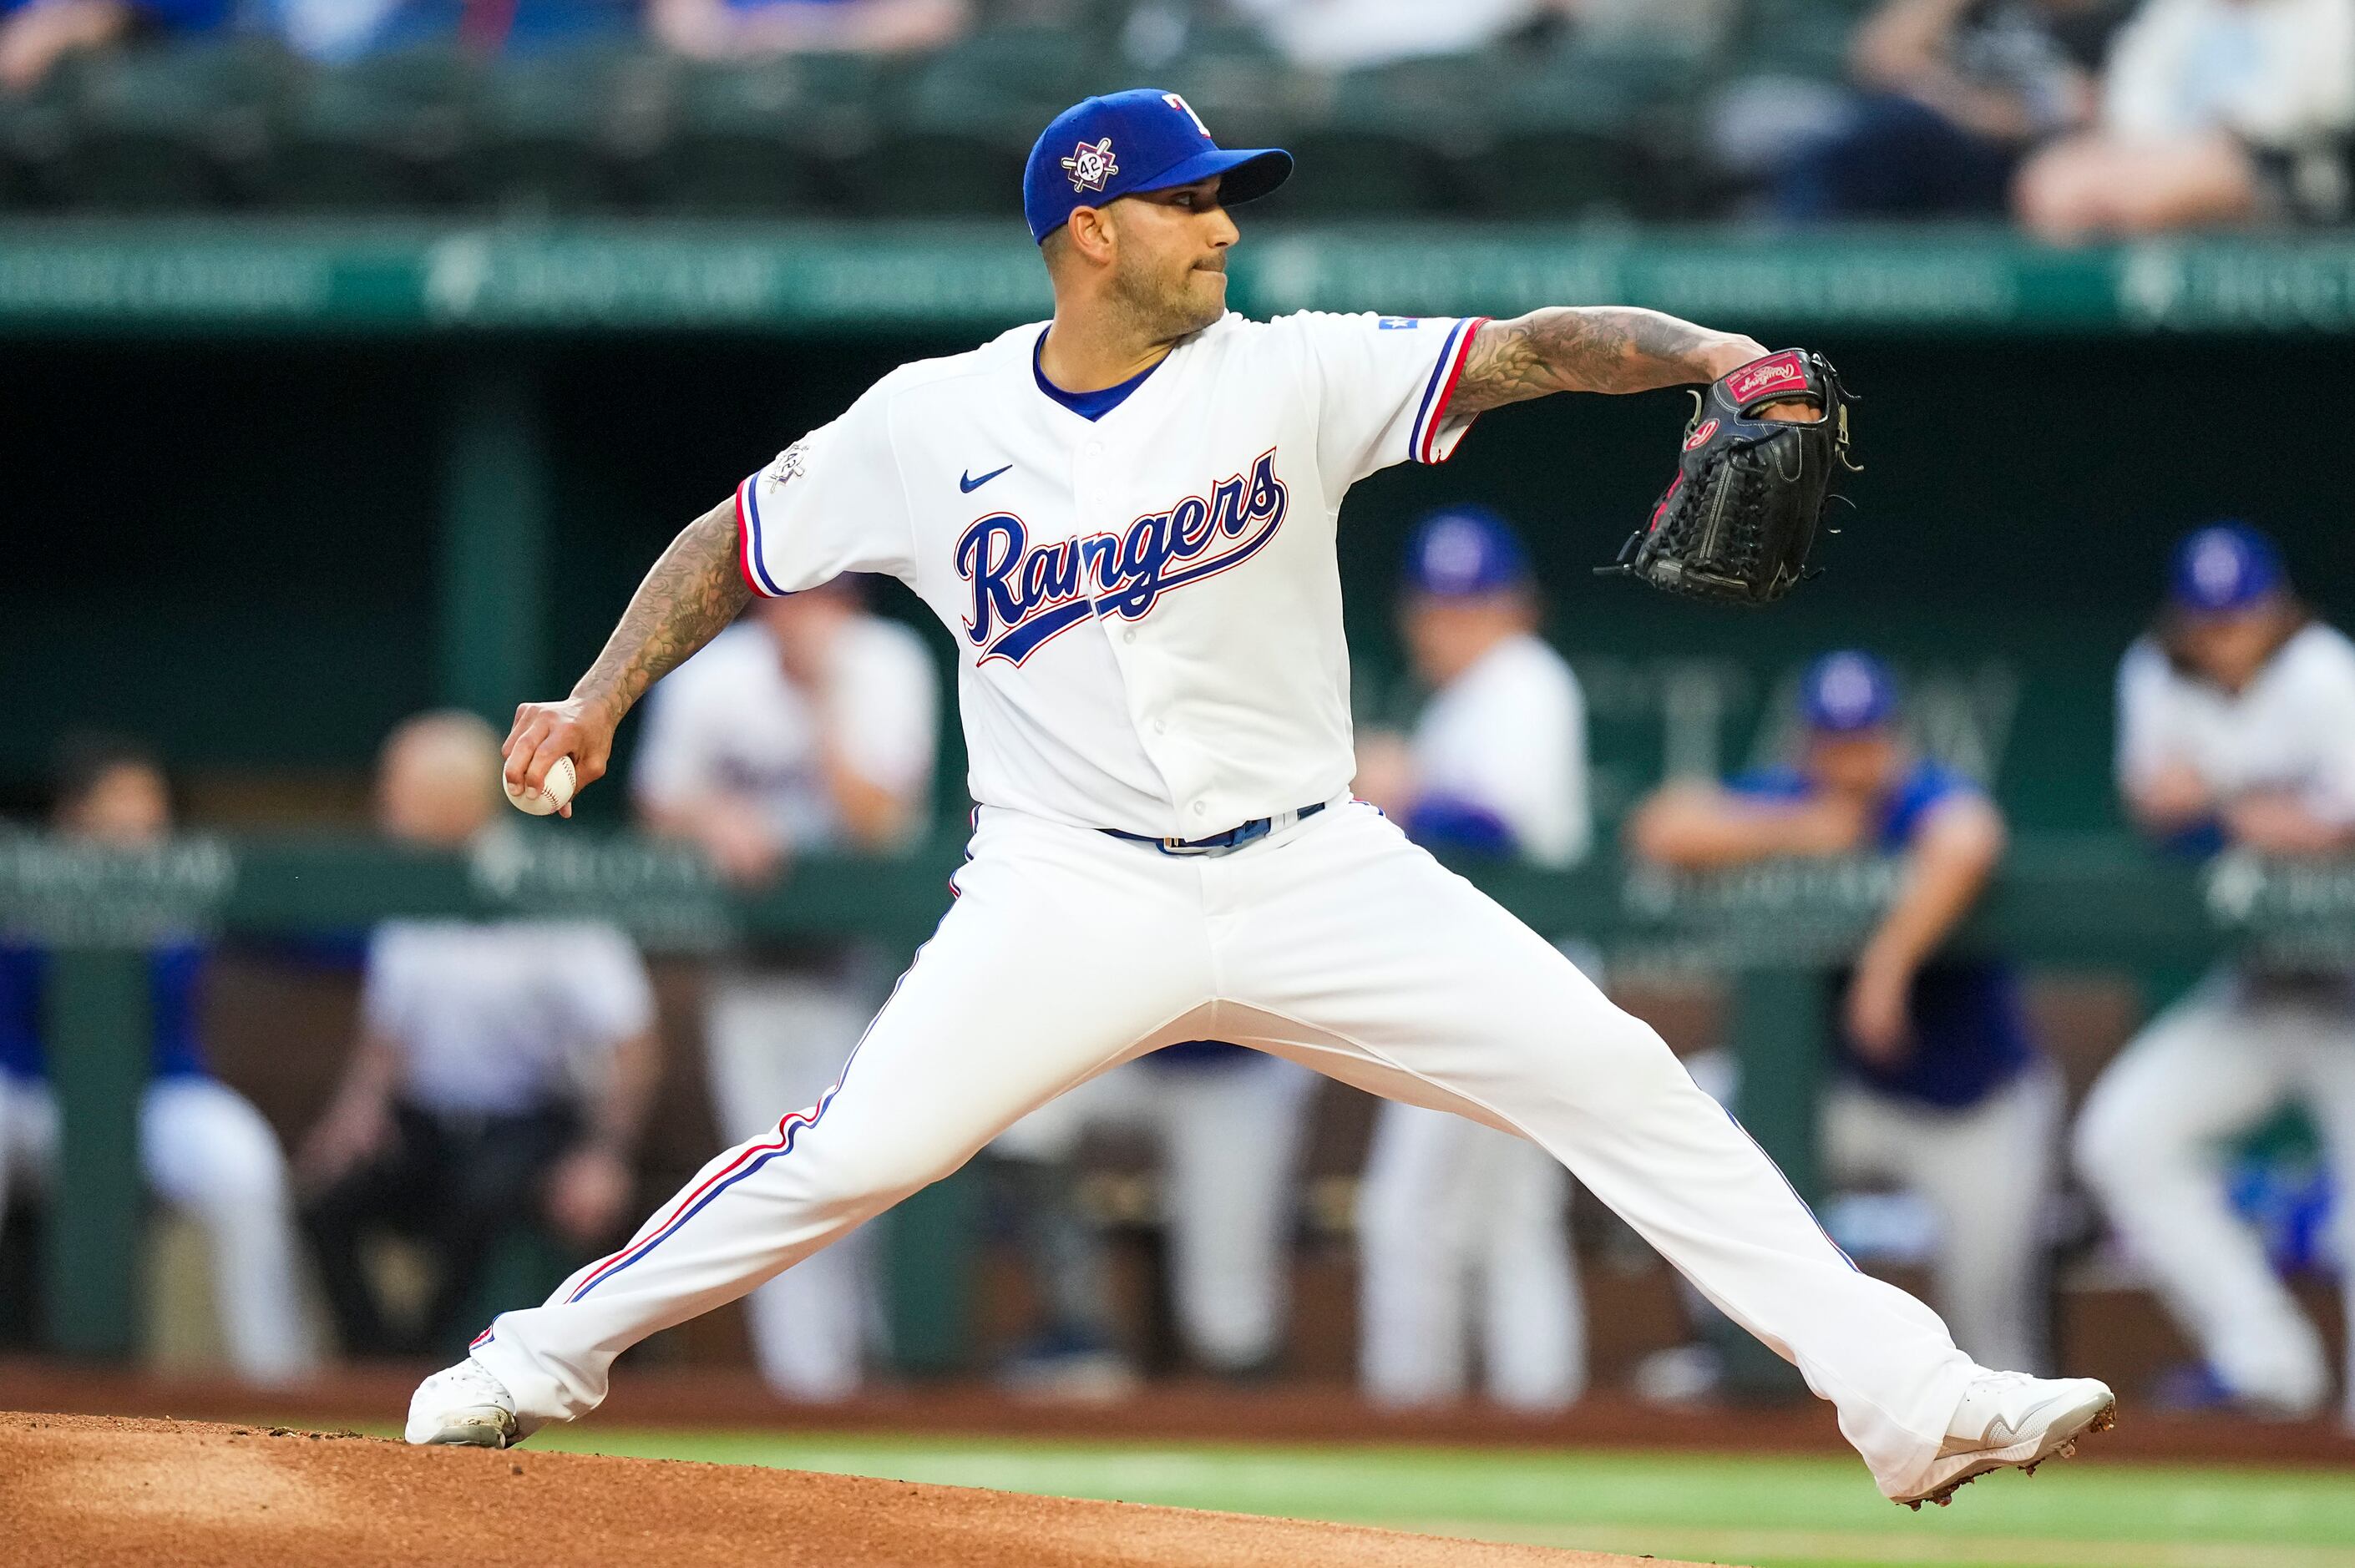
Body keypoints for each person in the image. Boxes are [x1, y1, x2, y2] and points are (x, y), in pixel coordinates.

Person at [413, 86, 2112, 1510]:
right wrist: (599, 693)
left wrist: (1713, 353)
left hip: (1317, 875)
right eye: (1189, 204)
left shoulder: (1290, 371)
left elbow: (1529, 350)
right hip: (1069, 890)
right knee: (864, 1146)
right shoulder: (929, 423)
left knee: (1618, 1072)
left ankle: (1909, 1398)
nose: (1226, 227)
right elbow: (734, 543)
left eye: (1229, 201)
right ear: (1092, 230)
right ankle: (534, 1355)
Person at [1630, 652, 2061, 1376]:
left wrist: (1887, 962)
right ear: (1806, 744)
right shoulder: (1795, 800)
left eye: (1863, 742)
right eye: (1833, 743)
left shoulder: (1920, 797)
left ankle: (2016, 1441)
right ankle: (1734, 1349)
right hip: (1850, 1100)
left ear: (1893, 741)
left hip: (1973, 1104)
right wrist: (1800, 829)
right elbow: (1661, 827)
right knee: (1706, 1114)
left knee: (1992, 1330)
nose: (1849, 762)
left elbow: (1972, 837)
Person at [630, 579, 938, 1400]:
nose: (801, 615)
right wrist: (713, 820)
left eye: (824, 596)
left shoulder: (884, 665)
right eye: (788, 595)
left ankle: (881, 1373)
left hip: (869, 966)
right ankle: (810, 1395)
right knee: (768, 1172)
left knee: (872, 1168)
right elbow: (654, 807)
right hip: (752, 965)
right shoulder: (713, 675)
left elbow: (878, 822)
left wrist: (824, 695)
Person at [2074, 524, 2355, 1421]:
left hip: (2351, 988)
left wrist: (2225, 802)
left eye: (2242, 617)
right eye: (2211, 621)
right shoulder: (2154, 671)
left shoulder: (2323, 671)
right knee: (2124, 1139)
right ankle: (2271, 1367)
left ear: (2274, 611)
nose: (2227, 636)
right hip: (2264, 985)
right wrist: (2273, 814)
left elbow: (2343, 826)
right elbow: (2155, 807)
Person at [299, 711, 660, 1360]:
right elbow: (387, 1034)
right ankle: (377, 1366)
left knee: (483, 1196)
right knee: (327, 1198)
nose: (386, 807)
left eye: (401, 791)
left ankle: (432, 1361)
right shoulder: (411, 884)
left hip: (534, 1121)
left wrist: (605, 1154)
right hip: (429, 1123)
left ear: (457, 800)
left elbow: (631, 1039)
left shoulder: (546, 884)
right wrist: (356, 1114)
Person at [1348, 505, 1592, 1411]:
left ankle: (1410, 1421)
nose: (1450, 622)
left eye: (1471, 602)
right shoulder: (1464, 701)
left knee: (1411, 1215)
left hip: (1513, 984)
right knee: (1502, 1223)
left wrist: (1402, 788)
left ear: (1514, 607)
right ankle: (1538, 1417)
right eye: (1437, 604)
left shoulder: (1527, 680)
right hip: (1501, 984)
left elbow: (1502, 829)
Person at [0, 736, 315, 1386]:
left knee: (242, 1163)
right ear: (74, 815)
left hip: (163, 1096)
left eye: (151, 806)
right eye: (122, 804)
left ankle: (279, 1384)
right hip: (31, 1095)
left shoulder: (185, 884)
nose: (142, 821)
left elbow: (319, 935)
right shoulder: (23, 879)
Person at [985, 1037, 1313, 1395]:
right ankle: (1077, 1331)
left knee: (1229, 1326)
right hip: (1121, 1053)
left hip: (1238, 1075)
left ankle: (1248, 1424)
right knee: (1024, 1123)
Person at [2013, 0, 2355, 240]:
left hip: (2273, 169)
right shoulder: (2179, 11)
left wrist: (2222, 135)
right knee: (2048, 182)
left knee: (2151, 199)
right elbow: (2131, 90)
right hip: (2155, 154)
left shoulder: (2328, 10)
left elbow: (2323, 103)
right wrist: (2159, 149)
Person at [1772, 0, 2123, 219]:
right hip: (1931, 143)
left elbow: (2082, 108)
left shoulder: (2102, 21)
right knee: (1862, 137)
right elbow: (1882, 60)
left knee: (1900, 126)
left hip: (2027, 167)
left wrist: (1965, 106)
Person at [648, 0, 967, 62]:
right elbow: (680, 23)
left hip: (853, 95)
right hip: (735, 79)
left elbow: (937, 16)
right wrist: (751, 39)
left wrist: (810, 34)